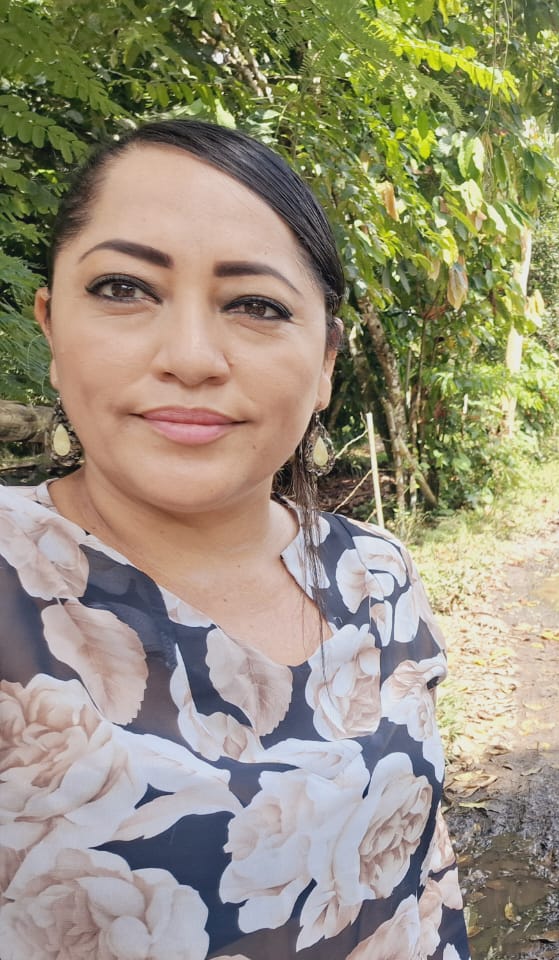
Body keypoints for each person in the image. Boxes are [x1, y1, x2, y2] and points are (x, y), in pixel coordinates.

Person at [0, 120, 469, 959]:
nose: (190, 357)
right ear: (51, 327)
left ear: (326, 363)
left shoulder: (378, 572)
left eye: (256, 305)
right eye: (123, 288)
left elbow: (423, 866)